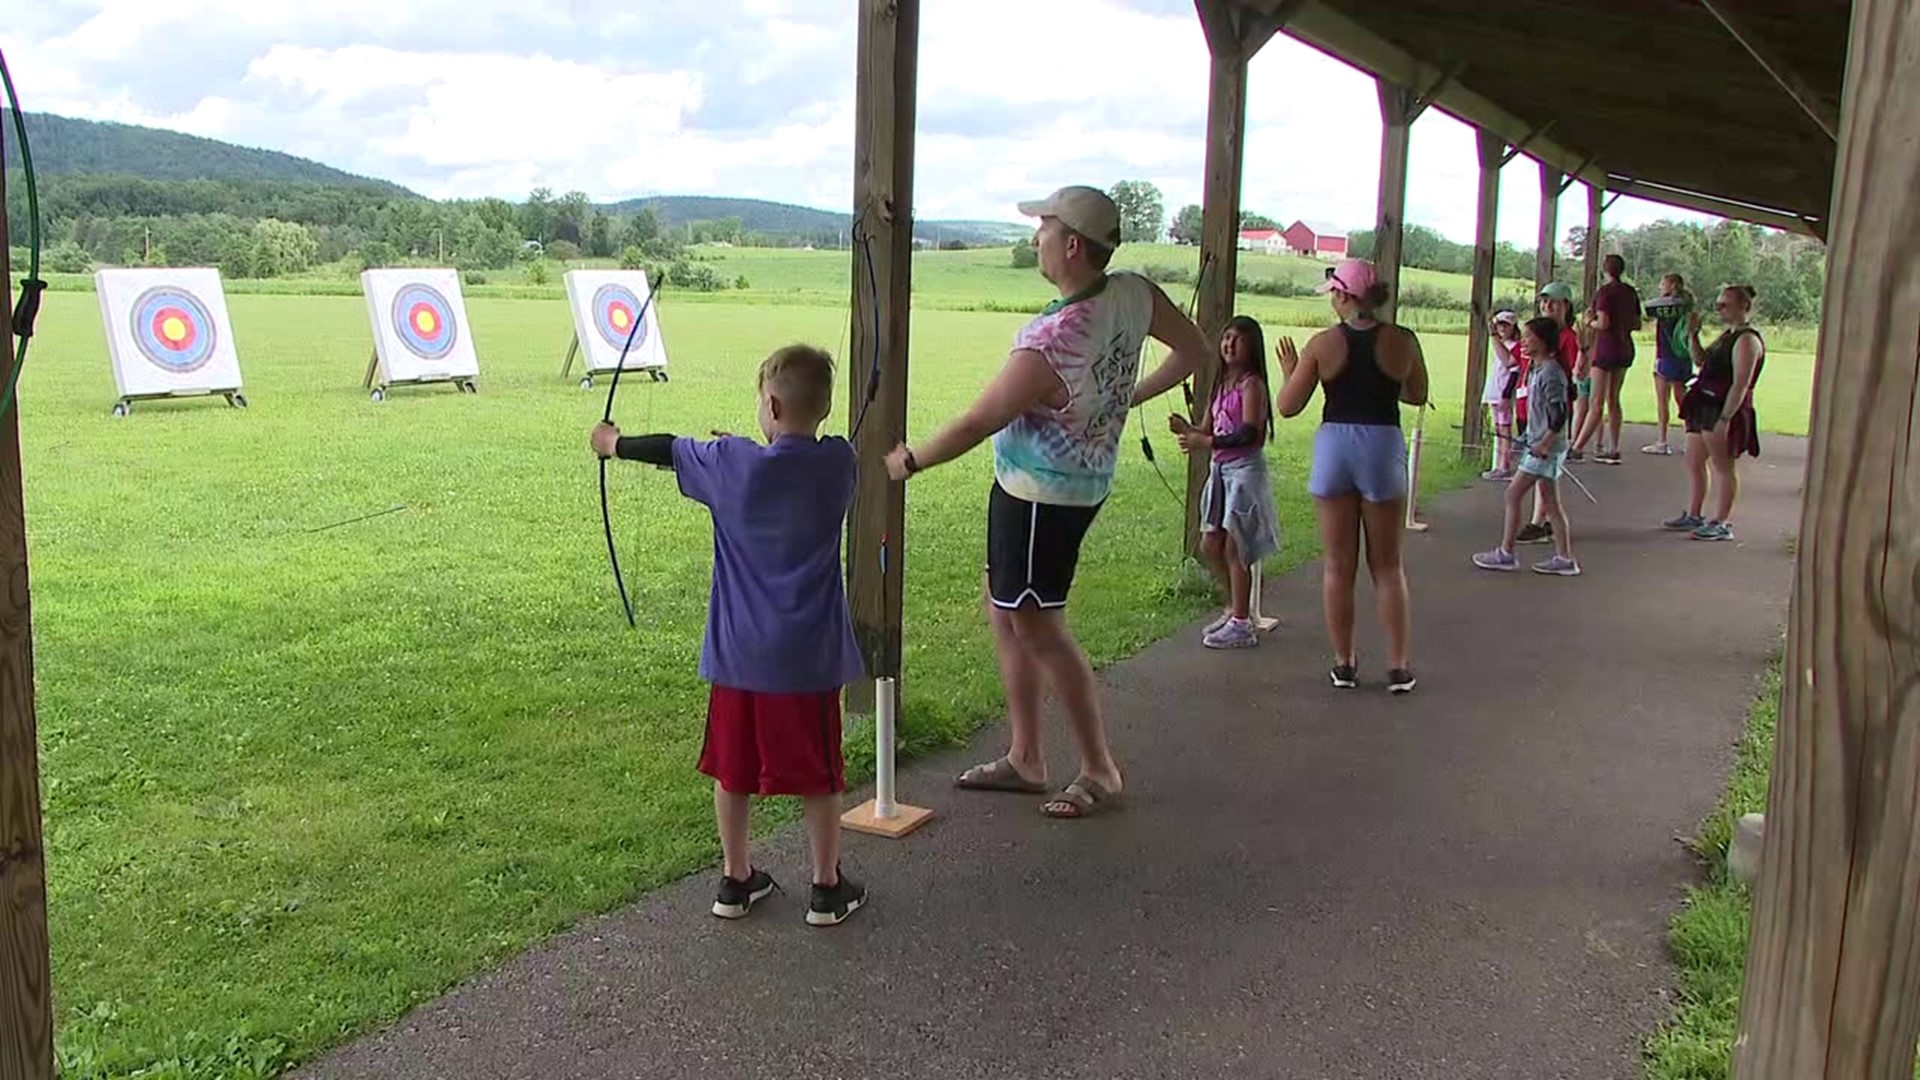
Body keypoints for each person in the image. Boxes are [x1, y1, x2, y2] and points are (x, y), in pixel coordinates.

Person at [881, 185, 1211, 819]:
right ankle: (1026, 757)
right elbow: (1194, 351)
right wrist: (1126, 399)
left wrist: (910, 461)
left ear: (1073, 245)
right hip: (1068, 488)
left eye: (1044, 228)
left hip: (1039, 498)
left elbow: (977, 421)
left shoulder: (1051, 341)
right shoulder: (1133, 294)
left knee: (1036, 623)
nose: (1036, 238)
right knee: (1007, 611)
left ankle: (1099, 768)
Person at [590, 343, 870, 927]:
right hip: (809, 661)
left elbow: (667, 448)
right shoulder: (839, 463)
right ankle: (825, 888)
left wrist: (611, 444)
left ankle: (735, 880)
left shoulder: (727, 463)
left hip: (740, 656)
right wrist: (742, 451)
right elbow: (790, 461)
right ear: (819, 408)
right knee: (820, 774)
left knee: (732, 768)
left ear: (769, 403)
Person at [1273, 257, 1429, 694]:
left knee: (1339, 566)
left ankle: (1344, 663)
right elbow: (1417, 394)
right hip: (1382, 444)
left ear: (1343, 296)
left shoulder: (1322, 344)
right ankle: (1398, 666)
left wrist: (1290, 371)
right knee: (1388, 566)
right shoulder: (1403, 340)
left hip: (1335, 447)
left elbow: (1288, 405)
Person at [1170, 315, 1282, 649]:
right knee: (1209, 546)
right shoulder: (1222, 385)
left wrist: (1204, 443)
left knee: (1236, 548)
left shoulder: (1252, 386)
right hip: (1220, 472)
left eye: (1238, 339)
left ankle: (1241, 624)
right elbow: (1208, 429)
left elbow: (1248, 432)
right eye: (1226, 338)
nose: (1229, 344)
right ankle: (1236, 607)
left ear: (1252, 346)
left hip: (1244, 472)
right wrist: (1187, 430)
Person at [1472, 317, 1581, 576]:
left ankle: (1506, 553)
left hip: (1545, 448)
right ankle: (1565, 558)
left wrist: (1543, 443)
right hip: (1541, 444)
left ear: (1542, 342)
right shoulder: (1536, 368)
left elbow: (1560, 413)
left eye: (1529, 337)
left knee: (1512, 494)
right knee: (1551, 504)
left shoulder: (1551, 373)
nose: (1523, 340)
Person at [1663, 284, 1766, 542]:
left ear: (1744, 307)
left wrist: (1725, 418)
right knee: (1694, 460)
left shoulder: (1747, 340)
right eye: (1718, 304)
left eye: (1725, 305)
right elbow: (1700, 360)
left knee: (1723, 466)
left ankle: (1721, 521)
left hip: (1722, 406)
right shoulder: (1726, 336)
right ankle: (1695, 513)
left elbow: (1740, 383)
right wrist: (1693, 335)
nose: (1720, 309)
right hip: (1703, 403)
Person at [1515, 282, 1583, 546]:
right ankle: (1541, 522)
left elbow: (1568, 371)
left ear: (1566, 305)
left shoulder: (1564, 338)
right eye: (1544, 302)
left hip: (1551, 410)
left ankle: (1538, 523)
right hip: (1532, 406)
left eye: (1553, 302)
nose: (1547, 306)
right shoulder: (1535, 333)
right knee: (1542, 479)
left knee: (1537, 479)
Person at [1571, 254, 1642, 464]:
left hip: (1606, 348)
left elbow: (1603, 323)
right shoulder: (1630, 293)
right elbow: (1637, 323)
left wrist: (1589, 321)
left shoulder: (1604, 292)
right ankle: (1614, 446)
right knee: (1614, 399)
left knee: (1596, 402)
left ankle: (1578, 446)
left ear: (1605, 270)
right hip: (1625, 347)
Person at [1641, 273, 1694, 455]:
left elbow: (1647, 310)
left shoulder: (1664, 305)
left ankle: (1662, 441)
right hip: (1683, 356)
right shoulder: (1686, 305)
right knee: (1683, 401)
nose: (1660, 287)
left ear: (1672, 285)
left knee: (1663, 401)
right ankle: (1690, 438)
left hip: (1666, 355)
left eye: (1663, 284)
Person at [1481, 309, 1523, 481]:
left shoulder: (1514, 347)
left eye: (1506, 325)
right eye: (1500, 325)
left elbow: (1513, 371)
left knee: (1504, 429)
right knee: (1498, 429)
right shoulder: (1503, 345)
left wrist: (1506, 395)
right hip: (1494, 390)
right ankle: (1498, 464)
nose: (1502, 329)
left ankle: (1504, 465)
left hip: (1502, 393)